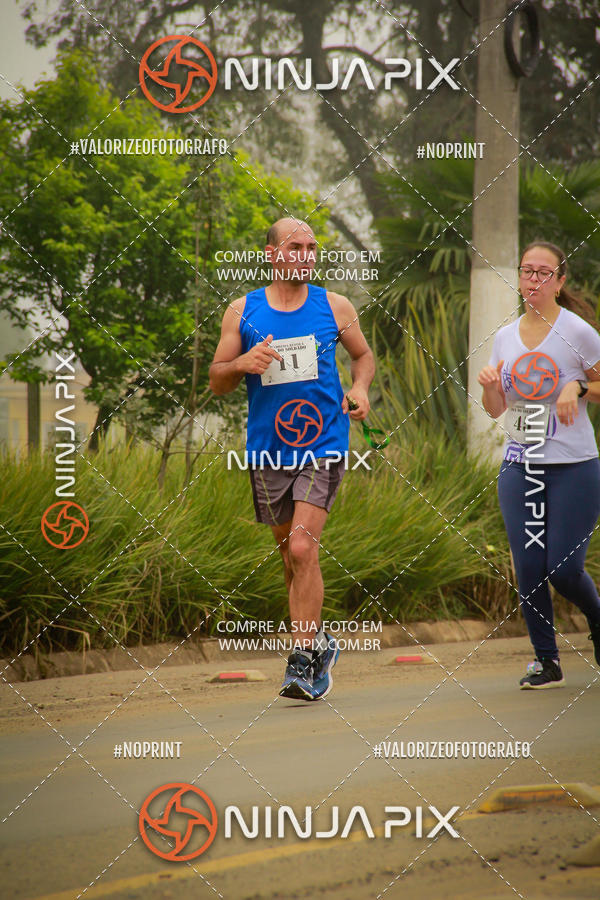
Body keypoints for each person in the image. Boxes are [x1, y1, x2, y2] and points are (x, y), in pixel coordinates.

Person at [209, 218, 375, 700]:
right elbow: (218, 379)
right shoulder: (243, 311)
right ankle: (319, 640)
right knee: (289, 554)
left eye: (311, 247)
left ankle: (302, 662)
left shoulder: (333, 305)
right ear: (270, 254)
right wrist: (242, 364)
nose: (304, 254)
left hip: (323, 442)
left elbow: (362, 356)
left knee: (303, 549)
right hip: (267, 450)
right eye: (294, 247)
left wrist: (360, 388)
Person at [478, 241, 600, 689]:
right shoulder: (505, 337)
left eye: (543, 272)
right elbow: (496, 409)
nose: (533, 279)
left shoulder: (578, 332)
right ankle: (546, 661)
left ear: (559, 281)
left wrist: (580, 389)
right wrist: (491, 385)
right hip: (520, 464)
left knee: (564, 569)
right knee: (529, 568)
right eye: (527, 271)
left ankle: (597, 618)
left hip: (574, 466)